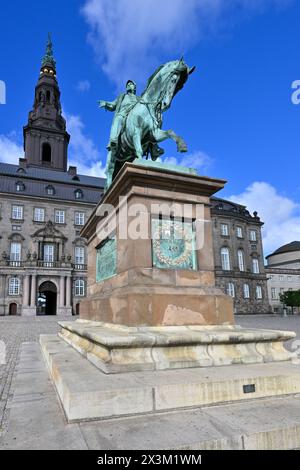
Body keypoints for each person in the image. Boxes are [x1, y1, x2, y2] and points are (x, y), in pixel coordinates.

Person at [98, 80, 139, 150]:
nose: (128, 85)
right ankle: (113, 140)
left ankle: (154, 148)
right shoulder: (122, 96)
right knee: (118, 119)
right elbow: (113, 105)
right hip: (123, 116)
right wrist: (106, 104)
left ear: (135, 88)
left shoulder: (139, 99)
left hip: (136, 118)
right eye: (127, 85)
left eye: (131, 84)